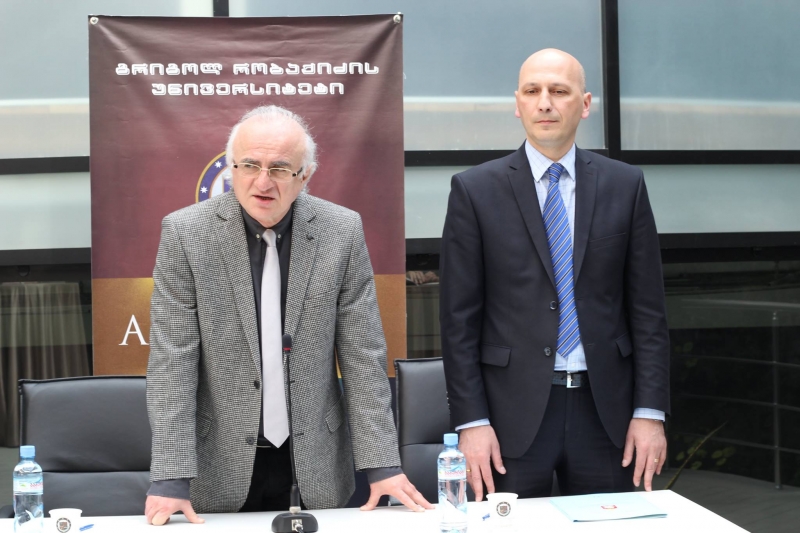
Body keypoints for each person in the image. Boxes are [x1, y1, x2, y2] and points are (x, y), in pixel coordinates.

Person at [145, 105, 431, 525]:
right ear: (231, 167)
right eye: (249, 166)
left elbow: (362, 356)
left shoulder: (341, 231)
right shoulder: (186, 234)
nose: (262, 182)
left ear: (305, 175)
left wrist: (382, 465)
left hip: (315, 458)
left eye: (279, 169)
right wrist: (171, 477)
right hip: (218, 460)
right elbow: (173, 363)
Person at [439, 49, 670, 500]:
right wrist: (472, 422)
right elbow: (458, 321)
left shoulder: (625, 185)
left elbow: (648, 313)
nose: (544, 102)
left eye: (559, 91)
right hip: (508, 419)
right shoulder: (474, 190)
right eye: (532, 91)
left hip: (608, 417)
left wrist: (650, 412)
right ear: (518, 103)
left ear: (584, 104)